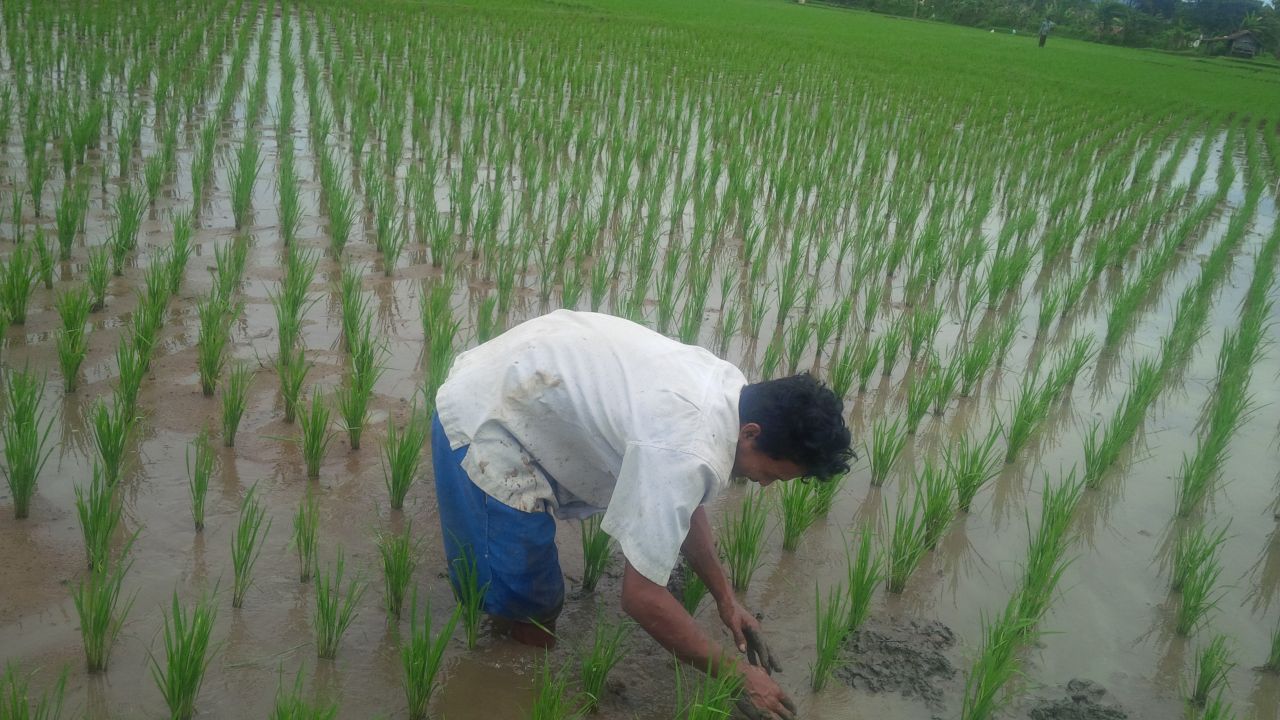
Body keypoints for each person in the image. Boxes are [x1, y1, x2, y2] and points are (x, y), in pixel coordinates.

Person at [432, 309, 853, 720]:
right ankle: (505, 691)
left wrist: (726, 599)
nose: (763, 485)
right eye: (772, 475)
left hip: (527, 374)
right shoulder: (686, 447)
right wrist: (740, 674)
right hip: (489, 416)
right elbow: (640, 597)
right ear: (752, 434)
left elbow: (682, 502)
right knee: (529, 605)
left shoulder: (733, 395)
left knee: (528, 589)